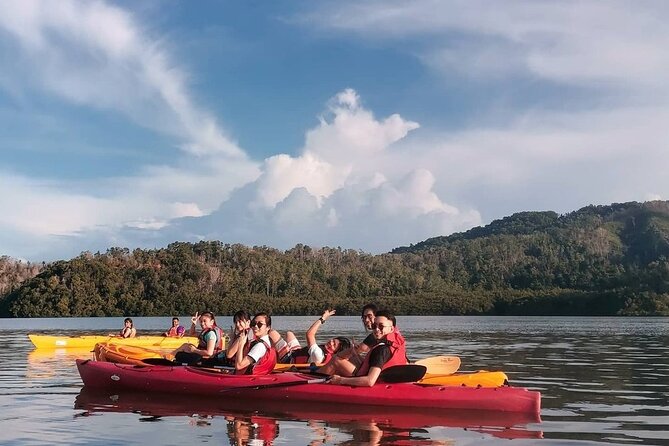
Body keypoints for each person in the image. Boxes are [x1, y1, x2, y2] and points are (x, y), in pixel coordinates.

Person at [323, 309, 407, 387]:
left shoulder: (382, 350)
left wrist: (341, 380)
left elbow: (370, 381)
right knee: (351, 358)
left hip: (370, 379)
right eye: (374, 326)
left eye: (381, 327)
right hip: (387, 376)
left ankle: (314, 377)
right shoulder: (394, 342)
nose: (377, 329)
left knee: (336, 360)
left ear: (392, 329)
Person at [271, 309, 351, 365]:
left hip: (288, 360)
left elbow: (309, 334)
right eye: (333, 340)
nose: (331, 343)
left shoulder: (318, 355)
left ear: (336, 352)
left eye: (334, 345)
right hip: (295, 353)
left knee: (272, 333)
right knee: (289, 334)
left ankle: (273, 357)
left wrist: (323, 318)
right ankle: (278, 351)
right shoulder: (325, 354)